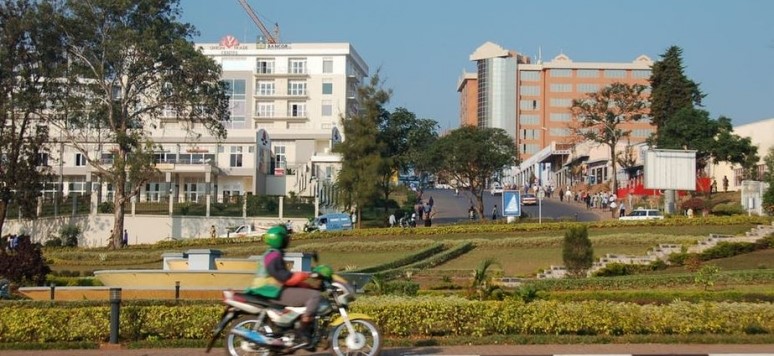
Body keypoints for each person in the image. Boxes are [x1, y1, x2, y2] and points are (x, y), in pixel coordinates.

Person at [246, 225, 321, 347]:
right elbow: (283, 277)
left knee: (307, 291)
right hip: (271, 291)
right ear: (278, 239)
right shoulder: (273, 256)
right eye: (285, 237)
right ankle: (303, 331)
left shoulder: (273, 254)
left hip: (271, 290)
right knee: (314, 296)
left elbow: (284, 276)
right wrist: (301, 276)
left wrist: (303, 283)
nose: (288, 239)